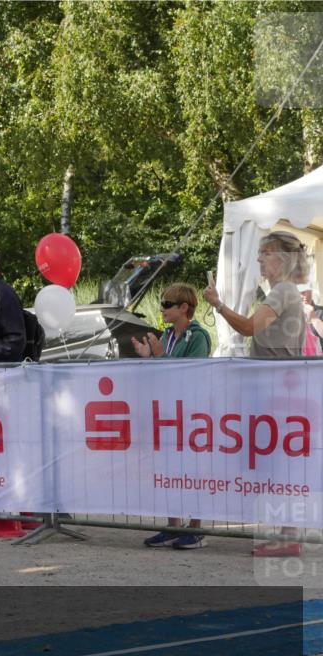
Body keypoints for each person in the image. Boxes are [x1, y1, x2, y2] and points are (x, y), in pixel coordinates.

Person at [204, 230, 310, 557]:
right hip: (280, 388)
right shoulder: (283, 291)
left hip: (279, 390)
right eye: (260, 252)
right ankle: (286, 534)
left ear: (284, 259)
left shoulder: (283, 292)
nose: (260, 258)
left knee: (281, 466)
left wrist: (219, 305)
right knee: (279, 465)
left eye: (267, 252)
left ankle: (289, 536)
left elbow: (250, 327)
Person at [132, 283, 211, 550]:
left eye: (167, 304)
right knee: (168, 470)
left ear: (184, 308)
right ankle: (173, 526)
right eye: (162, 304)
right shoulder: (167, 335)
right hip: (168, 414)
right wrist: (149, 357)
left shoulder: (198, 337)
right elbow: (163, 372)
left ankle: (196, 529)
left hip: (191, 415)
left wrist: (160, 355)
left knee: (193, 471)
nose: (162, 309)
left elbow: (192, 375)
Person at [299, 285, 323, 356]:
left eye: (304, 291)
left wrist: (314, 318)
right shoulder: (288, 315)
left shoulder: (321, 311)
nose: (303, 296)